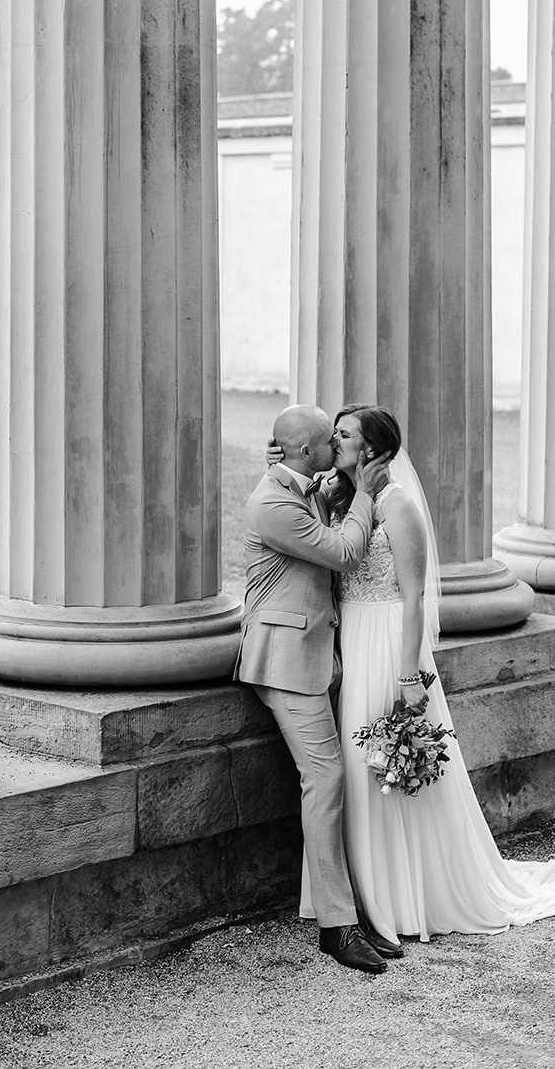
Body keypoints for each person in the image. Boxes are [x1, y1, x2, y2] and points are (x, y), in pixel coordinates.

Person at [277, 403, 555, 943]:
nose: (333, 444)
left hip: (388, 644)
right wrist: (285, 457)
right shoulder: (337, 498)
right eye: (332, 436)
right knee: (358, 774)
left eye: (344, 436)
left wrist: (408, 673)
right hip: (350, 642)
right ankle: (356, 893)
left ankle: (406, 896)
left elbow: (414, 597)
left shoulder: (399, 507)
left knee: (388, 769)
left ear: (374, 451)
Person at [234, 403, 397, 975]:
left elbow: (325, 495)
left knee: (331, 776)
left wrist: (345, 484)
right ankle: (336, 927)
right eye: (329, 439)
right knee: (325, 777)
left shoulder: (299, 483)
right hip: (284, 662)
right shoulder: (273, 502)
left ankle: (350, 910)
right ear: (307, 452)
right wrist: (370, 494)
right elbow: (345, 552)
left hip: (312, 653)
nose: (336, 445)